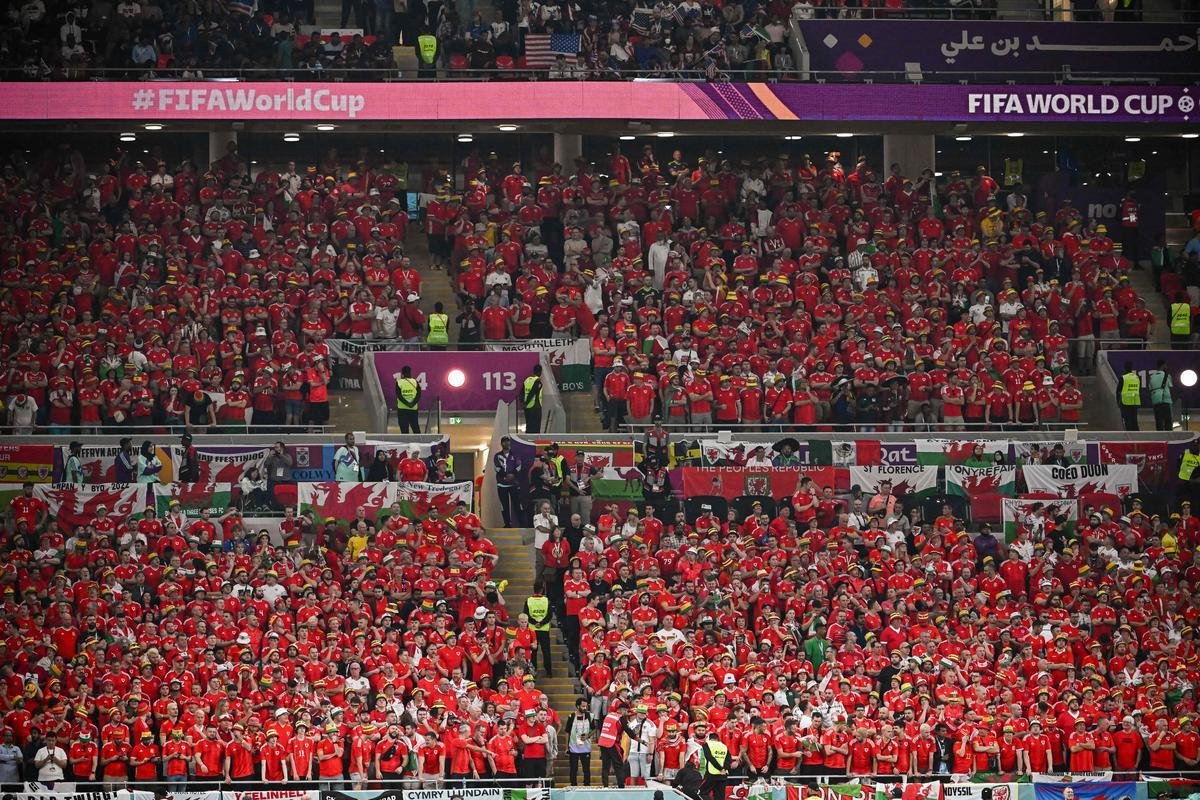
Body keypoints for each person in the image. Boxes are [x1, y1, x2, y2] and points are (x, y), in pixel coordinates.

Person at [524, 583, 553, 677]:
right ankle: (549, 672)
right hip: (544, 629)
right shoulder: (546, 600)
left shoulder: (528, 600)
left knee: (533, 652)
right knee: (546, 651)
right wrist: (541, 623)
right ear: (542, 590)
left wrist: (534, 622)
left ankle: (533, 672)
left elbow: (525, 614)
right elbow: (550, 615)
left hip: (532, 629)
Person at [494, 435, 523, 527]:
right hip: (502, 484)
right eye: (504, 441)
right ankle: (507, 524)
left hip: (514, 484)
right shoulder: (497, 456)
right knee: (504, 505)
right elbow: (497, 468)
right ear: (501, 443)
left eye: (508, 441)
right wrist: (505, 476)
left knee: (517, 504)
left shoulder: (515, 454)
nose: (507, 443)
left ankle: (521, 523)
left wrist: (513, 475)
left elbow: (518, 466)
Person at [566, 698, 594, 786]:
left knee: (586, 769)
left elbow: (594, 729)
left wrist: (587, 736)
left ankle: (587, 786)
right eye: (583, 706)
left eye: (586, 706)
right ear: (577, 706)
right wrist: (566, 747)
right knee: (573, 769)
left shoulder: (589, 716)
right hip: (574, 748)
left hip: (585, 748)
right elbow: (567, 732)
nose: (585, 708)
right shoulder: (571, 716)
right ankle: (573, 785)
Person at [699, 730, 729, 800]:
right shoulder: (724, 746)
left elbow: (709, 757)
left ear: (709, 739)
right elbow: (728, 760)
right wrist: (724, 769)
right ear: (718, 739)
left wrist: (720, 768)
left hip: (711, 774)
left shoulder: (707, 744)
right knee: (720, 796)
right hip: (723, 775)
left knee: (701, 793)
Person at [395, 365, 422, 434]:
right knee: (415, 428)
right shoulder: (415, 382)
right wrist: (412, 404)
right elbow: (418, 394)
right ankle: (420, 443)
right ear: (410, 373)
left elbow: (399, 396)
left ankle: (406, 444)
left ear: (402, 374)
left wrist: (407, 404)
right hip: (413, 409)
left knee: (404, 430)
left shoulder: (399, 382)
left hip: (402, 409)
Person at [1149, 359, 1174, 431]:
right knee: (1168, 421)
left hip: (1156, 401)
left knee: (1158, 421)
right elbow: (1171, 387)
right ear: (1163, 365)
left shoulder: (1152, 376)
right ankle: (1168, 437)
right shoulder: (1167, 375)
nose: (1166, 366)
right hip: (1166, 400)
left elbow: (1150, 388)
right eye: (1166, 365)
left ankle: (1159, 437)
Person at [1118, 360, 1141, 431]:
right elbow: (1138, 390)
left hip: (1125, 402)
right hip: (1134, 402)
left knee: (1128, 422)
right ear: (1131, 368)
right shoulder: (1137, 377)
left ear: (1124, 368)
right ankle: (1137, 437)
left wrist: (1118, 403)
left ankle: (1129, 438)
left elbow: (1118, 391)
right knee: (1134, 421)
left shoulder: (1123, 378)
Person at [522, 364, 544, 434]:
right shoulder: (538, 382)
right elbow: (532, 393)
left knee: (529, 426)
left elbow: (521, 392)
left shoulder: (527, 380)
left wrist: (523, 402)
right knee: (536, 428)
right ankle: (534, 443)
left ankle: (527, 442)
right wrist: (526, 402)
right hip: (535, 407)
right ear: (540, 372)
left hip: (527, 408)